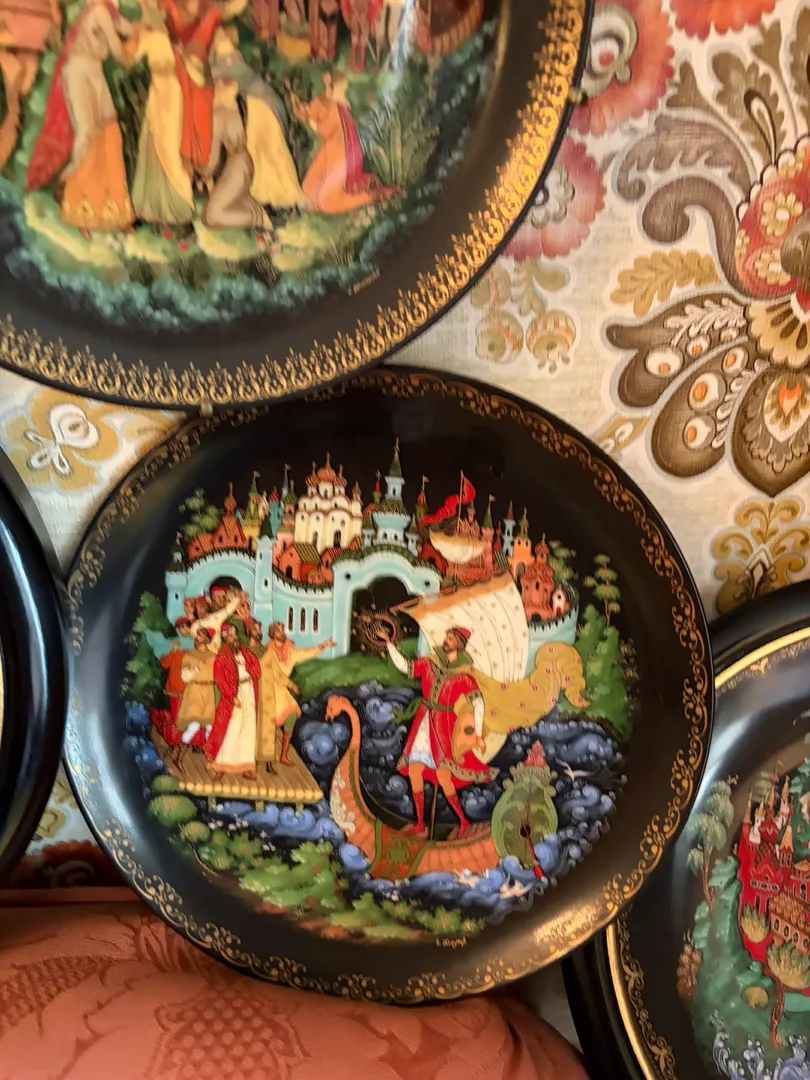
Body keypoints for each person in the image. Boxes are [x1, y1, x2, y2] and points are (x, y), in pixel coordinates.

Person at [26, 0, 135, 233]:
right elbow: (118, 50)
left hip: (94, 72)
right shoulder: (98, 12)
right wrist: (142, 52)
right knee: (86, 133)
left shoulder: (109, 13)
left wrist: (149, 28)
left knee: (110, 132)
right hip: (78, 72)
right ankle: (66, 188)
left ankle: (115, 208)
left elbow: (128, 28)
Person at [385, 627, 495, 838]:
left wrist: (478, 734)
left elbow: (478, 703)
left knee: (444, 777)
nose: (446, 640)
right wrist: (390, 644)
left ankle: (463, 821)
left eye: (450, 638)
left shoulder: (463, 676)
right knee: (414, 769)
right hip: (424, 722)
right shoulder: (429, 663)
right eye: (446, 637)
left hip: (445, 727)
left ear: (459, 644)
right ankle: (419, 823)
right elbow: (405, 666)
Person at [209, 31, 307, 212]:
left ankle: (286, 193)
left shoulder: (235, 68)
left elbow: (219, 74)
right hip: (257, 108)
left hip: (264, 109)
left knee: (272, 150)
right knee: (259, 150)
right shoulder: (233, 67)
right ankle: (267, 192)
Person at [288, 71, 399, 215]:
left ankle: (371, 196)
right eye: (340, 89)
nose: (342, 93)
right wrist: (299, 104)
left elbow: (326, 127)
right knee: (307, 193)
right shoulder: (321, 102)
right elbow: (307, 114)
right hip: (330, 150)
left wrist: (314, 123)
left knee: (326, 201)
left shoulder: (340, 107)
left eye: (342, 90)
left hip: (344, 154)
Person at [129, 15, 195, 226]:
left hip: (171, 94)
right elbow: (130, 57)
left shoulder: (168, 36)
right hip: (158, 93)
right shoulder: (152, 37)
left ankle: (181, 205)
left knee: (168, 149)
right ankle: (148, 207)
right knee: (150, 145)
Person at [202, 72, 273, 230]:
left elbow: (212, 163)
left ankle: (259, 218)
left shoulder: (218, 114)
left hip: (238, 166)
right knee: (231, 201)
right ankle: (255, 210)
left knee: (211, 216)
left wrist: (199, 172)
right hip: (250, 163)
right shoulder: (241, 105)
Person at [258, 622, 334, 767]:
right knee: (268, 723)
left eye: (282, 630)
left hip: (282, 691)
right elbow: (271, 672)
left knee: (292, 714)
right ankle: (264, 756)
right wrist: (290, 684)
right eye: (278, 631)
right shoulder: (268, 651)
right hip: (268, 689)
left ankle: (283, 755)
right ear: (272, 634)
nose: (281, 633)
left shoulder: (290, 651)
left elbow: (307, 652)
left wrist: (324, 645)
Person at [206, 622, 261, 779]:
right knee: (231, 729)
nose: (233, 637)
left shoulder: (245, 651)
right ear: (225, 639)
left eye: (234, 634)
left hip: (249, 691)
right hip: (234, 695)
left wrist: (248, 667)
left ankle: (246, 767)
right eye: (230, 636)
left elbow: (257, 670)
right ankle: (221, 765)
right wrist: (232, 697)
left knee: (249, 729)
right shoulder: (222, 656)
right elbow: (219, 679)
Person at [176, 626, 216, 750]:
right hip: (195, 690)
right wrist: (198, 667)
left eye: (200, 635)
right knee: (194, 724)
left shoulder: (214, 656)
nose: (197, 638)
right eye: (197, 636)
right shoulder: (189, 656)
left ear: (207, 639)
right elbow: (185, 677)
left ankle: (209, 753)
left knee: (210, 725)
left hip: (209, 692)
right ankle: (181, 751)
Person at [160, 639, 186, 724]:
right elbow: (164, 664)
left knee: (184, 707)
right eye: (173, 643)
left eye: (177, 643)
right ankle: (177, 724)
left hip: (183, 685)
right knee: (174, 707)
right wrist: (171, 653)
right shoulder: (170, 654)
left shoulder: (185, 653)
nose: (175, 645)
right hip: (172, 686)